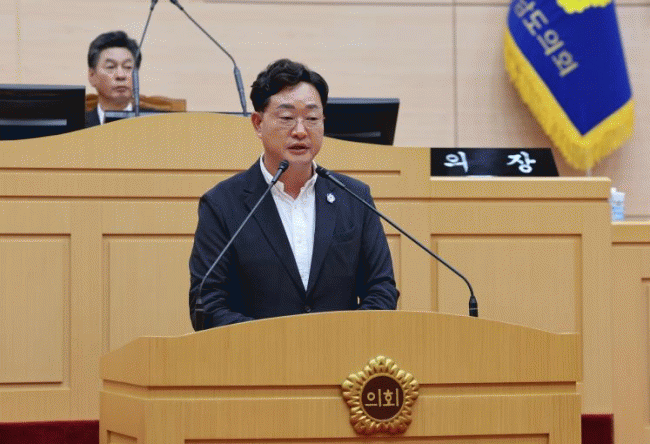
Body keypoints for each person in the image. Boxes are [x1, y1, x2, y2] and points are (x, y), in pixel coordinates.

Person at [188, 59, 399, 330]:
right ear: (258, 123)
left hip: (343, 354)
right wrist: (278, 343)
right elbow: (207, 304)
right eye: (287, 118)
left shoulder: (354, 197)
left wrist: (343, 340)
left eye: (312, 119)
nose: (300, 131)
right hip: (255, 355)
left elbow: (381, 290)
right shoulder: (222, 204)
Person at [85, 31, 141, 127]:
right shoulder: (77, 127)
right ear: (92, 75)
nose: (121, 75)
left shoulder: (157, 121)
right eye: (111, 67)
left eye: (128, 67)